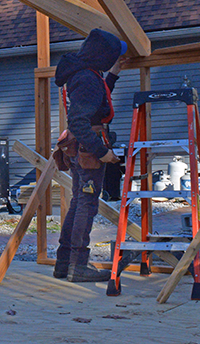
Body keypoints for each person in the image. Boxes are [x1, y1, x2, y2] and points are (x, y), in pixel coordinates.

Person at [53, 28, 125, 282]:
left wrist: (113, 75)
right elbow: (80, 121)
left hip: (80, 148)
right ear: (102, 56)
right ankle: (78, 266)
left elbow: (97, 99)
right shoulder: (87, 79)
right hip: (88, 150)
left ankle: (65, 263)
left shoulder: (83, 73)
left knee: (77, 203)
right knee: (86, 205)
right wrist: (102, 152)